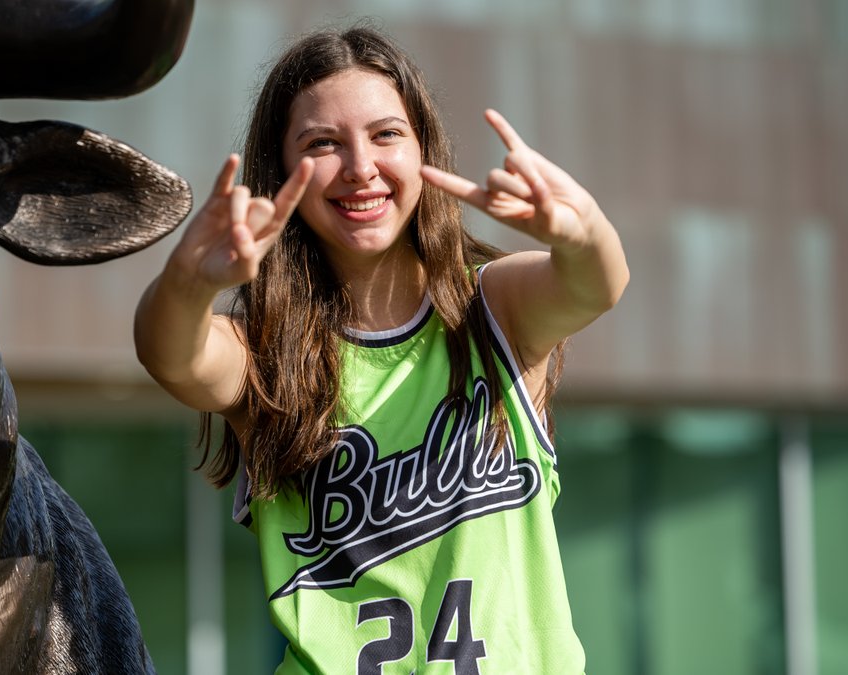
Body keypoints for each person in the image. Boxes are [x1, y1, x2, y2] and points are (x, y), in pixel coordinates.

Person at [134, 23, 629, 674]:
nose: (361, 167)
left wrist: (582, 228)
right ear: (280, 170)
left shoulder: (492, 310)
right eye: (323, 143)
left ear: (424, 148)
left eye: (386, 134)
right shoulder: (265, 352)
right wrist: (188, 281)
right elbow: (170, 353)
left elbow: (597, 285)